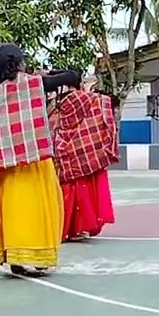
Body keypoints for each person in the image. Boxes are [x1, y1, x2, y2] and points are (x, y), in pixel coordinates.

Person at [0, 44, 80, 275]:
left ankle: (14, 257)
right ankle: (37, 255)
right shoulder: (34, 84)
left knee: (12, 208)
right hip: (33, 159)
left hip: (6, 163)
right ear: (19, 63)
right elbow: (72, 76)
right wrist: (49, 74)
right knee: (36, 208)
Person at [49, 74, 119, 241]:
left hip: (61, 150)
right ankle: (80, 228)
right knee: (83, 190)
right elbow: (105, 109)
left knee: (66, 191)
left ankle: (63, 228)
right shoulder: (91, 99)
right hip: (82, 149)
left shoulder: (55, 104)